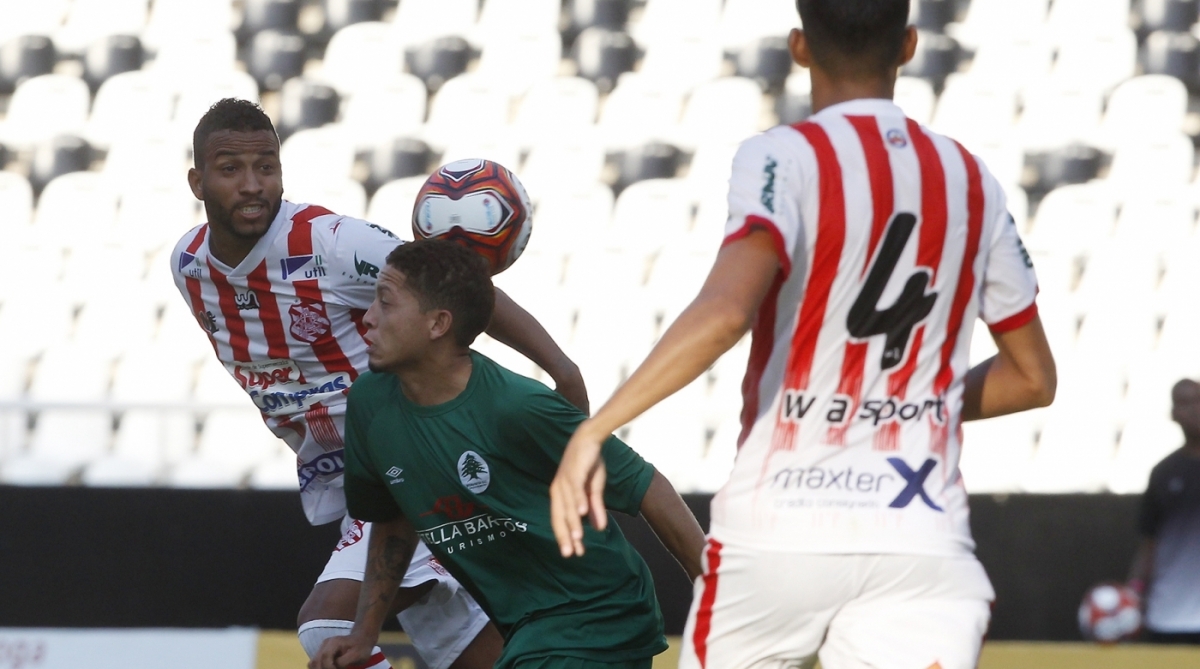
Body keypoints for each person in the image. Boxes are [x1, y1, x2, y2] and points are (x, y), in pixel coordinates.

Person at [550, 1, 1058, 668]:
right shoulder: (971, 179)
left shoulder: (780, 157)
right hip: (918, 535)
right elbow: (1032, 378)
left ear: (798, 46)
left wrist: (595, 428)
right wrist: (911, 402)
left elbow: (728, 311)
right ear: (908, 46)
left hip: (781, 527)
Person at [171, 98, 590, 669]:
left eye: (266, 167)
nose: (252, 185)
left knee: (328, 628)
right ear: (197, 180)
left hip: (420, 460)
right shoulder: (189, 266)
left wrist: (561, 369)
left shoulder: (333, 243)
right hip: (357, 477)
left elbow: (452, 288)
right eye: (230, 170)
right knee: (478, 657)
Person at [309, 240, 707, 669]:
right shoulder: (370, 403)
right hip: (525, 629)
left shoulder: (516, 407)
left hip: (597, 617)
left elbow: (646, 485)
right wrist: (362, 635)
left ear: (438, 324)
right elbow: (392, 519)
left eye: (385, 303)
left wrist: (716, 599)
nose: (367, 318)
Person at [1128, 379, 1200, 644]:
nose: (1194, 409)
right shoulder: (1163, 473)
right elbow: (1149, 543)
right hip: (1167, 618)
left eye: (1198, 400)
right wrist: (1134, 593)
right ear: (1173, 414)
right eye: (1184, 403)